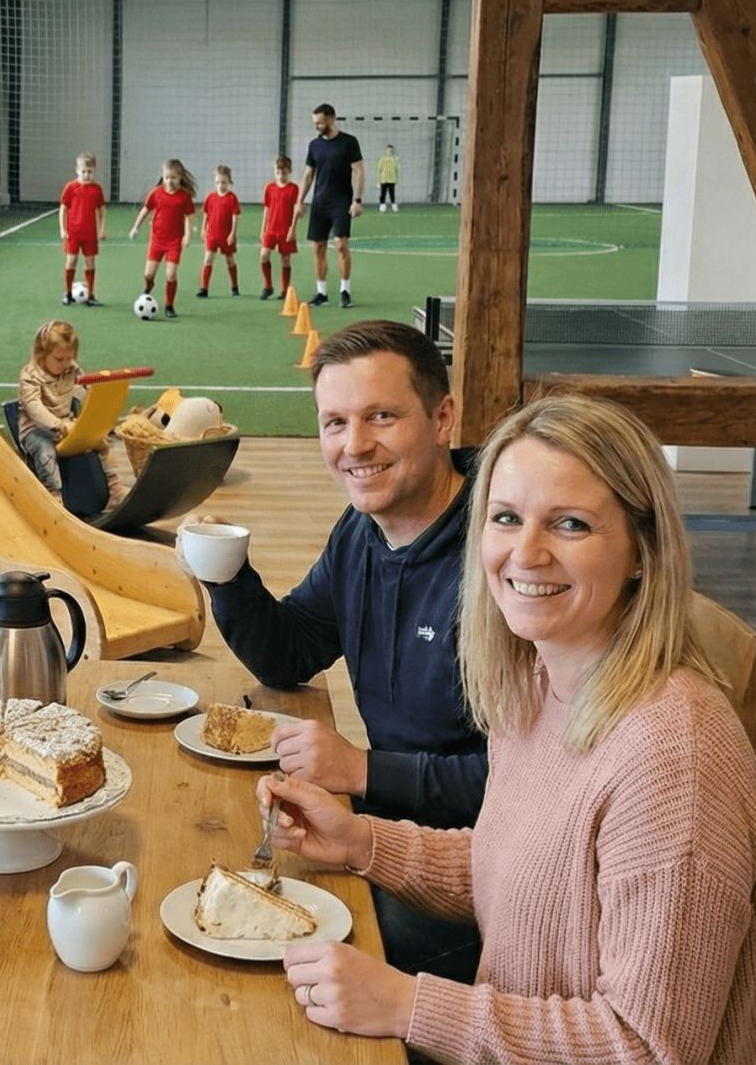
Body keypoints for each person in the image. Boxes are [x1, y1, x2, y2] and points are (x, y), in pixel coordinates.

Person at [264, 393, 756, 1064]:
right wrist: (361, 841)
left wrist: (407, 1004)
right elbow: (519, 871)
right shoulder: (539, 682)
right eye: (506, 518)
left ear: (641, 552)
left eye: (569, 524)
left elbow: (647, 1048)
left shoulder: (673, 761)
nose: (526, 553)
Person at [196, 319, 486, 983]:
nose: (355, 446)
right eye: (334, 423)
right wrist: (227, 572)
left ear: (443, 418)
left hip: (477, 881)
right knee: (223, 888)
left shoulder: (504, 562)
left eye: (381, 416)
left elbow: (522, 784)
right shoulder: (362, 530)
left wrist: (362, 770)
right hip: (380, 833)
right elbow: (291, 652)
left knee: (264, 953)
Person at [14, 319, 125, 505]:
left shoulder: (71, 369)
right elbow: (34, 407)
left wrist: (102, 408)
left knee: (100, 442)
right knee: (45, 452)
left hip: (67, 424)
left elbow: (87, 388)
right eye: (59, 359)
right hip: (36, 429)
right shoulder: (30, 375)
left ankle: (115, 487)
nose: (66, 364)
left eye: (69, 358)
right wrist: (58, 424)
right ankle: (54, 496)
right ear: (41, 354)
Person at [297, 103, 365, 309]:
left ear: (331, 119)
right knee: (318, 247)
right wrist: (299, 201)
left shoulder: (349, 143)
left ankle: (345, 291)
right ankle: (321, 293)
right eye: (314, 123)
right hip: (319, 203)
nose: (316, 126)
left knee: (341, 245)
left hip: (341, 201)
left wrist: (357, 200)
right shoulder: (314, 145)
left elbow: (359, 171)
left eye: (319, 122)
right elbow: (308, 175)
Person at [127, 158, 197, 319]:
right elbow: (145, 210)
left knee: (171, 275)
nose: (169, 181)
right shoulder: (156, 193)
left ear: (181, 177)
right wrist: (135, 228)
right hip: (157, 240)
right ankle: (147, 289)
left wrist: (187, 236)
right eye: (166, 177)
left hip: (174, 242)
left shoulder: (184, 197)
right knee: (148, 274)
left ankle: (169, 305)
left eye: (173, 178)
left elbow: (190, 216)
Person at [59, 153, 107, 306]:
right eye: (84, 171)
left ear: (95, 171)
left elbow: (102, 210)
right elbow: (63, 209)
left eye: (90, 171)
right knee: (71, 261)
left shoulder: (96, 189)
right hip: (73, 233)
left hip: (90, 234)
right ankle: (67, 293)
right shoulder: (71, 187)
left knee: (90, 262)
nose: (87, 175)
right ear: (77, 171)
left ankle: (91, 295)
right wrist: (62, 229)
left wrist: (102, 229)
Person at [257, 155, 300, 303]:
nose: (280, 174)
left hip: (285, 230)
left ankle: (285, 290)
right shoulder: (269, 188)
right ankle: (268, 286)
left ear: (289, 171)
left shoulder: (294, 189)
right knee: (264, 255)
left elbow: (296, 211)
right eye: (278, 171)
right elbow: (267, 209)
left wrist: (292, 229)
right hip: (271, 230)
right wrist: (263, 229)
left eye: (284, 171)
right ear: (274, 171)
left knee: (285, 260)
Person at [196, 165, 242, 299]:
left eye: (224, 182)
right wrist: (203, 229)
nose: (220, 185)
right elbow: (206, 214)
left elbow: (235, 216)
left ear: (229, 182)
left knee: (230, 260)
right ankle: (204, 288)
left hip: (226, 236)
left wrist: (232, 233)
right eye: (218, 182)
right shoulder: (211, 197)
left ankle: (234, 287)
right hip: (212, 235)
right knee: (208, 259)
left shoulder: (232, 198)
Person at [376, 144, 401, 212]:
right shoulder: (382, 159)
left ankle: (393, 205)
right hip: (383, 180)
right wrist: (378, 181)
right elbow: (379, 170)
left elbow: (397, 170)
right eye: (388, 150)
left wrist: (397, 181)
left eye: (391, 150)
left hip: (392, 180)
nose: (389, 152)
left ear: (393, 151)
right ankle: (382, 205)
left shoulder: (395, 159)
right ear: (386, 151)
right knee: (383, 193)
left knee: (392, 193)